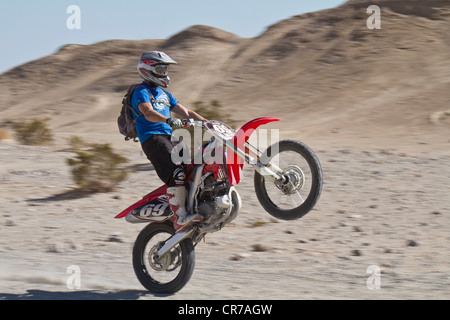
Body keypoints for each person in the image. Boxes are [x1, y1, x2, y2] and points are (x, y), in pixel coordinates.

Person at [132, 51, 206, 232]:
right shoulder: (140, 91)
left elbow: (187, 113)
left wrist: (209, 123)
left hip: (170, 137)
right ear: (147, 69)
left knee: (193, 170)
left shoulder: (165, 94)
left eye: (165, 68)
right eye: (160, 68)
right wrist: (167, 120)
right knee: (177, 175)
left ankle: (196, 206)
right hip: (153, 138)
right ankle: (180, 217)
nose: (164, 72)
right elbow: (148, 112)